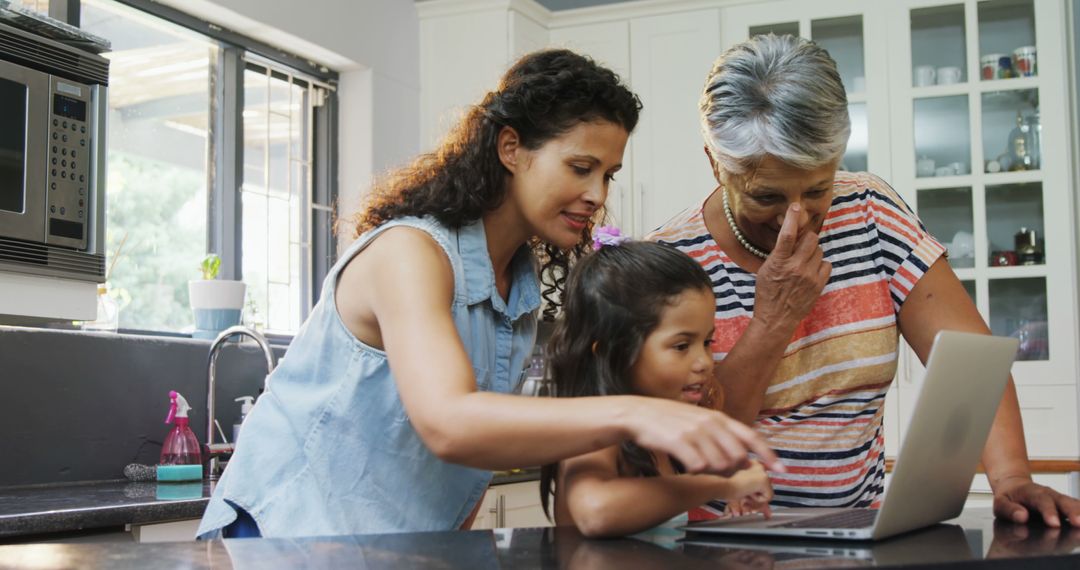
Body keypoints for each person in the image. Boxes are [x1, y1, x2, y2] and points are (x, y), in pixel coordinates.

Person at [196, 48, 781, 539]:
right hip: (282, 540)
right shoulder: (411, 253)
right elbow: (449, 423)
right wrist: (639, 414)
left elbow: (469, 460)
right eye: (579, 167)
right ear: (510, 149)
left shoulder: (518, 290)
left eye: (607, 174)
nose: (596, 193)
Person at [647, 34, 1080, 526]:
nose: (797, 219)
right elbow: (692, 452)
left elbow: (971, 362)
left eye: (817, 189)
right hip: (725, 545)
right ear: (714, 162)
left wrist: (1011, 480)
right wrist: (774, 319)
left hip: (860, 533)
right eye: (767, 196)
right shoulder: (667, 262)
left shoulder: (869, 211)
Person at [540, 231, 775, 538]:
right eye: (681, 346)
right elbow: (595, 511)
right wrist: (724, 485)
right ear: (613, 352)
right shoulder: (594, 431)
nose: (704, 361)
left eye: (707, 342)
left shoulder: (664, 435)